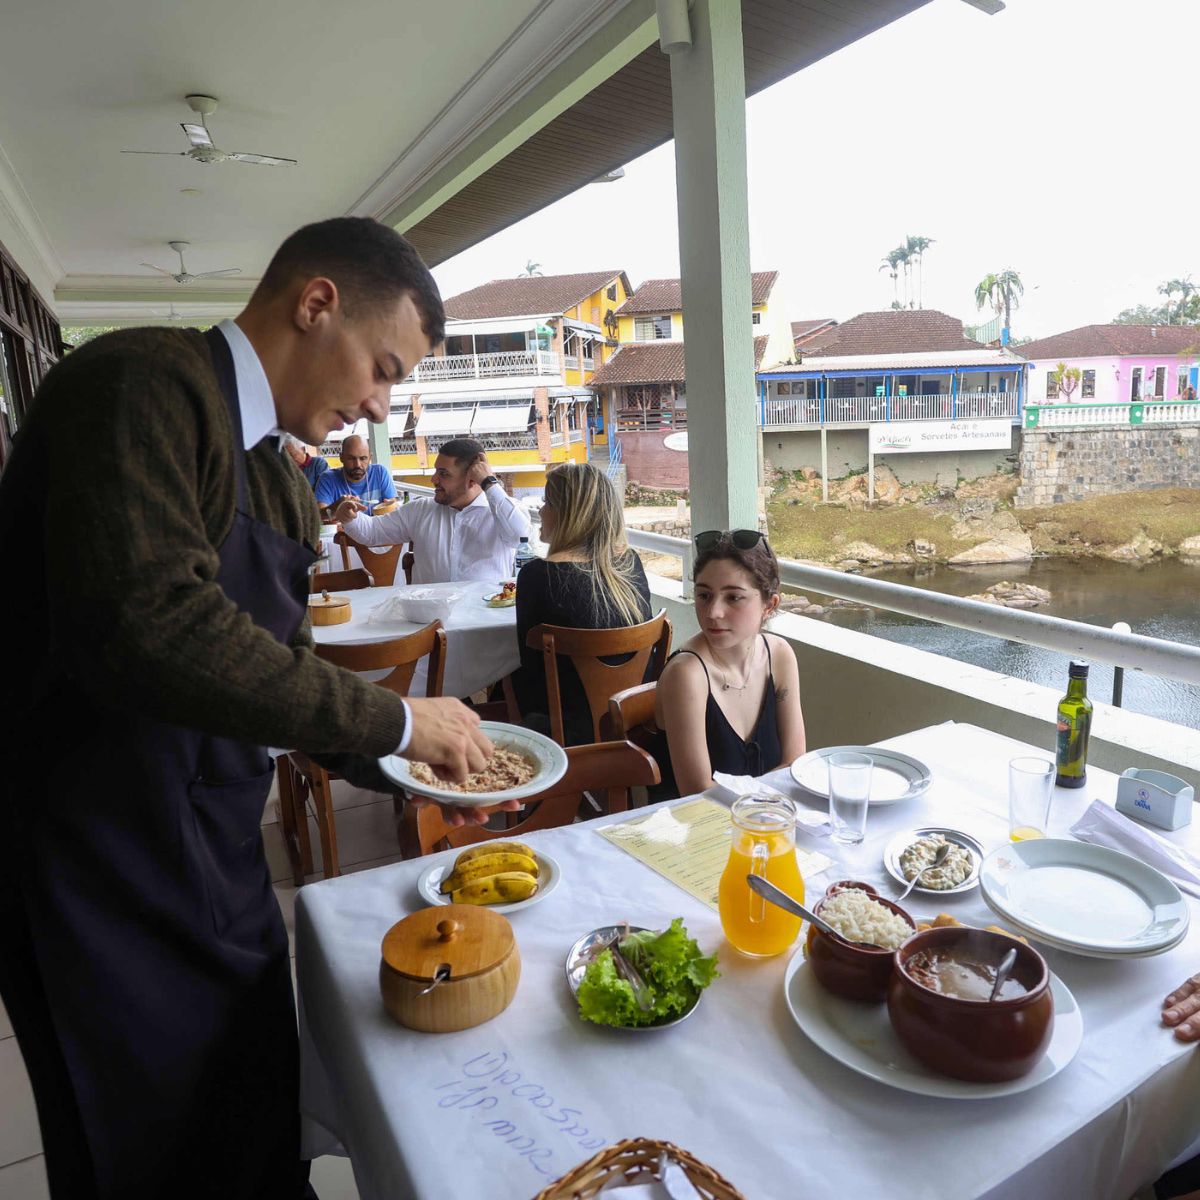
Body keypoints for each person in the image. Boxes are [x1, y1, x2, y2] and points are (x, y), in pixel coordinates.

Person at [0, 216, 510, 1200]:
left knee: (250, 1117)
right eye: (384, 368)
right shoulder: (137, 386)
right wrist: (402, 723)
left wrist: (414, 762)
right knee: (141, 1157)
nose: (379, 405)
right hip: (93, 868)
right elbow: (148, 622)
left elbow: (283, 679)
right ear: (315, 303)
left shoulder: (274, 474)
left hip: (214, 854)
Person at [653, 529, 806, 797]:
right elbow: (698, 793)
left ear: (769, 605)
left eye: (733, 597)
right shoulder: (687, 674)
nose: (713, 612)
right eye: (704, 595)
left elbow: (794, 764)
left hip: (761, 826)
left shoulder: (779, 656)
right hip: (694, 830)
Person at [510, 462, 652, 744]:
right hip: (635, 722)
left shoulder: (536, 577)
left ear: (566, 515)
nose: (541, 510)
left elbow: (529, 671)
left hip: (562, 733)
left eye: (546, 502)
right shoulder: (630, 562)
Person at [329, 436, 531, 584]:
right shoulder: (421, 510)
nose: (433, 480)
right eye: (436, 471)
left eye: (443, 474)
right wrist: (350, 518)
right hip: (429, 623)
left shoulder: (503, 511)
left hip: (486, 622)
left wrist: (489, 483)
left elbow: (520, 537)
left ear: (472, 479)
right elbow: (372, 532)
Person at [315, 432, 396, 517]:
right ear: (341, 458)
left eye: (363, 458)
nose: (357, 464)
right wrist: (337, 506)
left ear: (370, 458)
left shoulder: (380, 473)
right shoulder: (328, 479)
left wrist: (391, 506)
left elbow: (391, 507)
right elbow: (319, 516)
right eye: (351, 458)